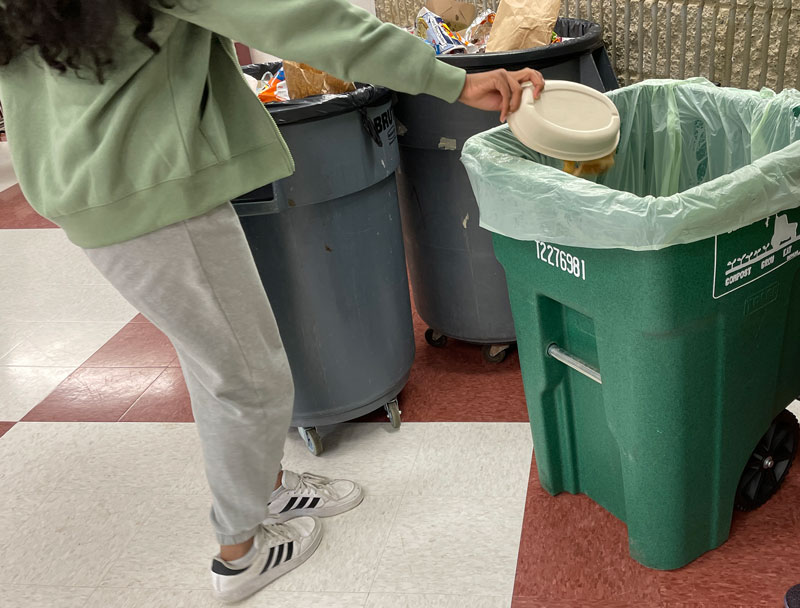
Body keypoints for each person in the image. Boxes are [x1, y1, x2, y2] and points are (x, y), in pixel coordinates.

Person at [0, 0, 544, 603]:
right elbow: (302, 21)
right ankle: (240, 553)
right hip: (153, 191)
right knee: (248, 379)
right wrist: (454, 80)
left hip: (93, 181)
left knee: (216, 363)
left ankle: (263, 486)